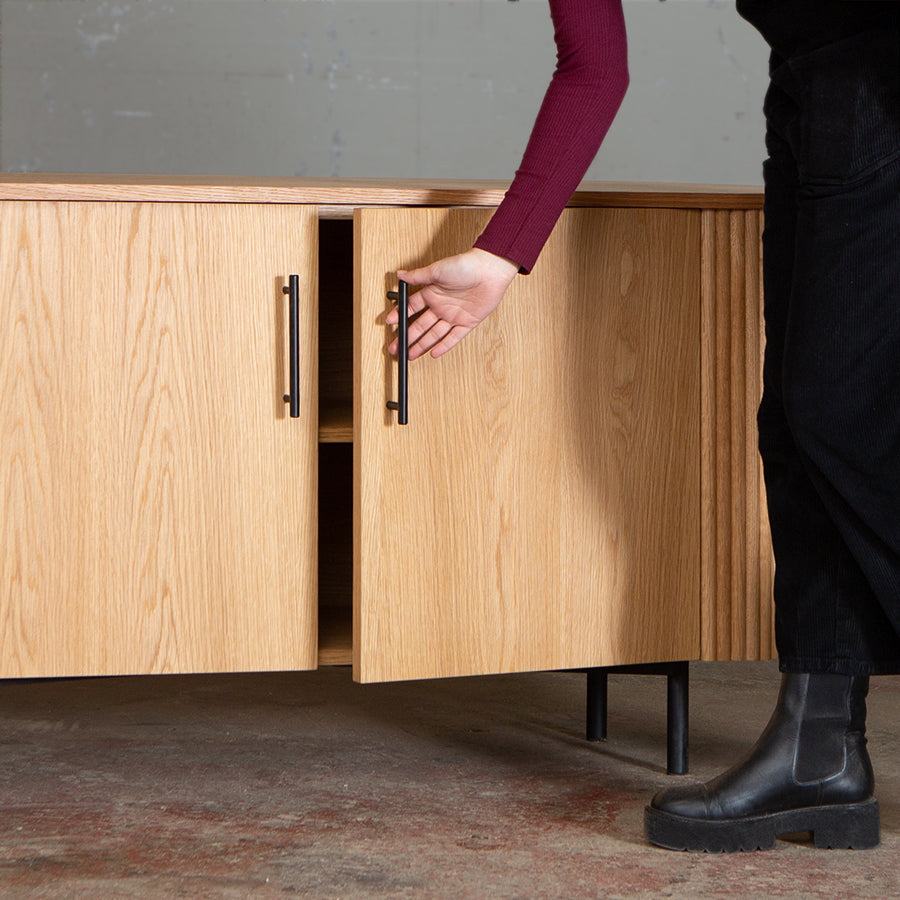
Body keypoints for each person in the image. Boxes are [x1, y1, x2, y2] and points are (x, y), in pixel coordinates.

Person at [388, 0, 900, 852]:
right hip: (815, 80)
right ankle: (818, 752)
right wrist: (505, 251)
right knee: (794, 423)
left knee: (837, 418)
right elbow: (595, 66)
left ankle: (821, 752)